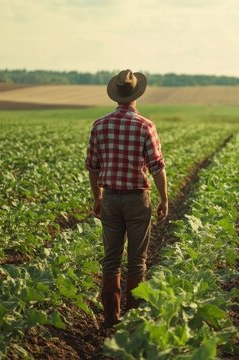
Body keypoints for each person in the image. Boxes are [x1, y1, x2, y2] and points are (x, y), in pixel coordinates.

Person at [85, 69, 168, 327]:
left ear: (116, 96)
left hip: (110, 199)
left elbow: (93, 166)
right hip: (136, 200)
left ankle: (111, 318)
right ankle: (133, 319)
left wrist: (97, 197)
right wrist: (164, 199)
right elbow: (157, 166)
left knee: (111, 259)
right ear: (136, 95)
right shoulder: (145, 126)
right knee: (137, 261)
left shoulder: (100, 125)